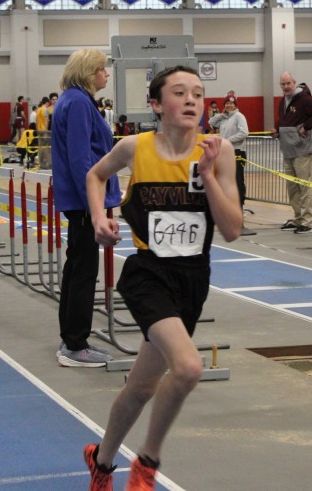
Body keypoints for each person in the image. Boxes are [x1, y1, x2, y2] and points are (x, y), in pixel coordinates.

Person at [82, 65, 241, 489]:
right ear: (155, 104)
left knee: (141, 386)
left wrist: (207, 175)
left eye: (198, 93)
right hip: (147, 273)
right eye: (179, 92)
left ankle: (101, 461)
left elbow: (232, 229)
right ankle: (147, 463)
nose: (191, 100)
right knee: (187, 368)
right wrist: (99, 218)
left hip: (192, 279)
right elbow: (95, 175)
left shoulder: (219, 151)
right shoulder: (135, 148)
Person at [52, 49, 119, 368]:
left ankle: (71, 338)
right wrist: (95, 208)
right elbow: (80, 158)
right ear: (89, 72)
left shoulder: (72, 100)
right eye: (102, 69)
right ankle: (75, 344)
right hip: (83, 201)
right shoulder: (78, 102)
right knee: (83, 271)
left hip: (81, 199)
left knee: (76, 267)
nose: (107, 74)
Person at [276, 73, 312, 234]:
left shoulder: (304, 99)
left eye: (288, 83)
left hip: (303, 151)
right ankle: (298, 218)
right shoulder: (283, 101)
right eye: (283, 84)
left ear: (294, 83)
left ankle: (308, 222)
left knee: (305, 187)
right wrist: (277, 131)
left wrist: (306, 126)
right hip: (288, 151)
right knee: (293, 188)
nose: (286, 87)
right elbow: (284, 121)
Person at [209, 94, 254, 235]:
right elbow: (211, 122)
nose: (229, 105)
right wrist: (221, 115)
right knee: (226, 185)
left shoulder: (239, 116)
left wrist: (227, 141)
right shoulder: (224, 118)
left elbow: (244, 132)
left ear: (236, 105)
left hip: (237, 153)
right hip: (225, 154)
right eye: (227, 103)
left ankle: (240, 220)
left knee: (238, 185)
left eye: (231, 103)